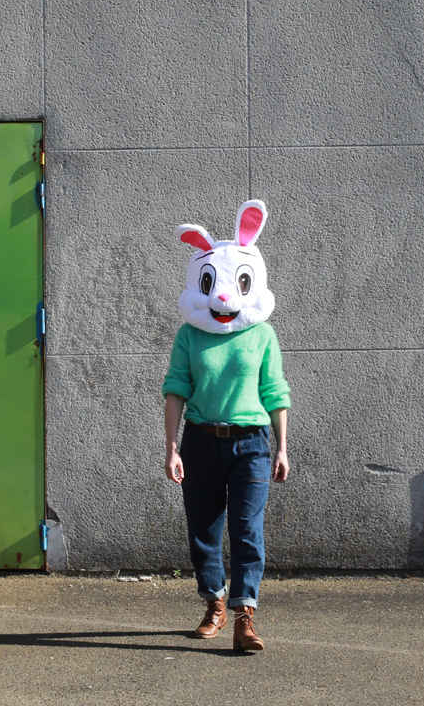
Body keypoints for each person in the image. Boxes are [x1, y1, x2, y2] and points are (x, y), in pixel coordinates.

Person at [161, 200, 291, 653]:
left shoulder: (262, 334)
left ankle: (244, 617)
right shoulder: (189, 335)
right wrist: (171, 447)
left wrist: (282, 447)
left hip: (251, 444)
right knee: (203, 531)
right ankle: (214, 602)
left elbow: (275, 391)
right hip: (200, 441)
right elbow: (176, 389)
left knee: (247, 531)